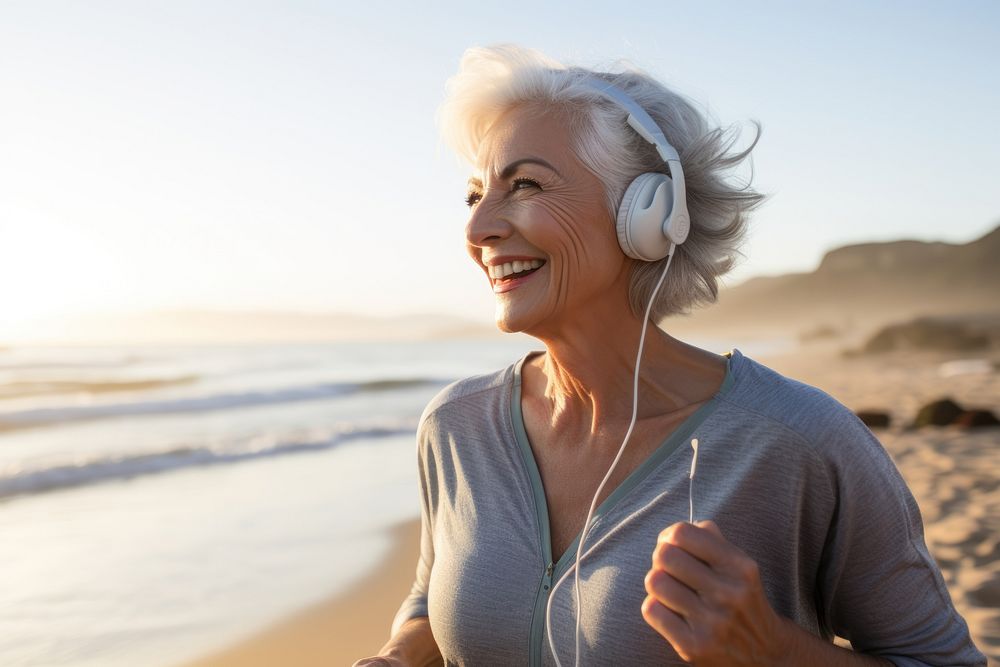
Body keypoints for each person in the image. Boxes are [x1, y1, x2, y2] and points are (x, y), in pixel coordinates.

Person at [354, 45, 985, 666]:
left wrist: (774, 653)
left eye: (525, 184)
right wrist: (399, 654)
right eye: (473, 195)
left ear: (648, 214)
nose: (477, 228)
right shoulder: (455, 427)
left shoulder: (801, 441)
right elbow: (430, 599)